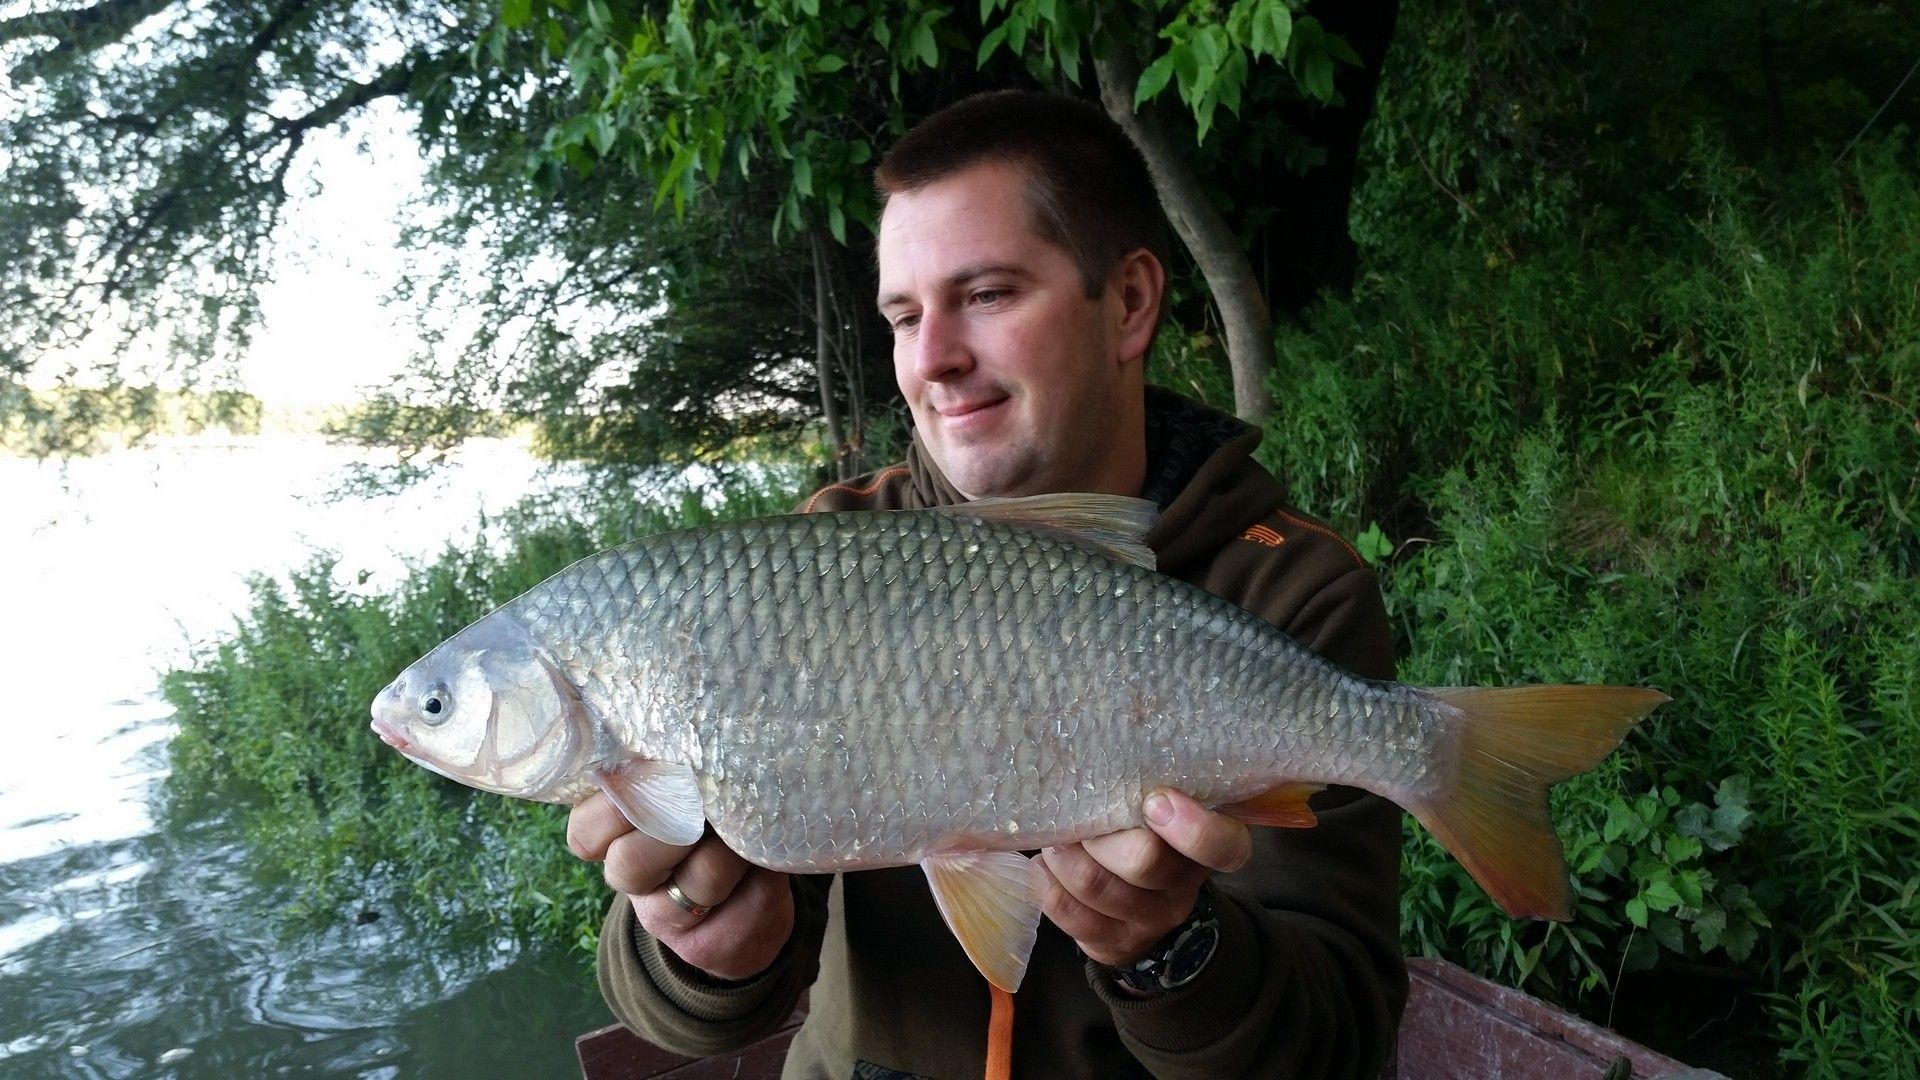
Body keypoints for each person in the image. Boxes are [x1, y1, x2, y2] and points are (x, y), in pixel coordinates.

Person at [566, 90, 1407, 1078]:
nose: (933, 360)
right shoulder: (826, 558)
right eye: (903, 314)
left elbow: (1339, 1045)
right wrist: (695, 941)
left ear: (1130, 303)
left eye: (989, 295)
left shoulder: (1292, 589)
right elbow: (693, 1009)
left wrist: (1170, 951)